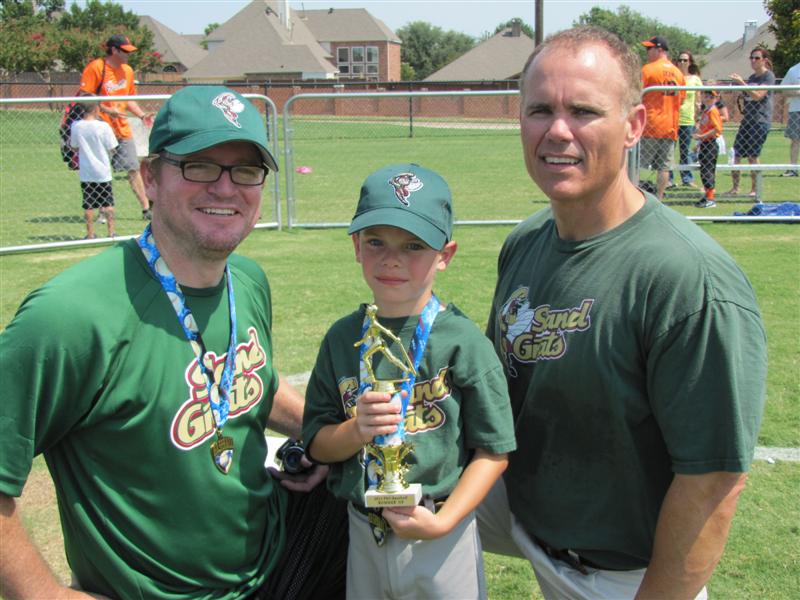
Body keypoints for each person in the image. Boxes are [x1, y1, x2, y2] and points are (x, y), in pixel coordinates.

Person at [0, 85, 347, 599]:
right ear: (149, 178)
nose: (226, 188)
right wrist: (42, 595)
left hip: (277, 555)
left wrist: (323, 435)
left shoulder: (246, 280)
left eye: (246, 170)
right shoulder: (71, 315)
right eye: (199, 166)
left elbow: (252, 379)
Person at [477, 26, 767, 600]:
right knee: (358, 492)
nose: (558, 131)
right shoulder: (527, 241)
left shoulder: (687, 279)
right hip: (532, 524)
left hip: (623, 577)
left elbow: (713, 481)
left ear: (634, 125)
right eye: (540, 110)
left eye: (584, 111)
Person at [302, 163, 516, 600]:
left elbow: (494, 452)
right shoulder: (343, 339)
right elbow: (317, 444)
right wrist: (357, 430)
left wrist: (444, 521)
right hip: (363, 527)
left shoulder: (463, 342)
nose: (392, 258)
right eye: (376, 241)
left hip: (441, 529)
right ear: (356, 246)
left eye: (414, 245)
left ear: (445, 255)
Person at [79, 34, 154, 220]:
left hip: (122, 128)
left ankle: (146, 209)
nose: (129, 55)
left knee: (133, 167)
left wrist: (142, 115)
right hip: (100, 127)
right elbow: (84, 98)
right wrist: (106, 110)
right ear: (114, 50)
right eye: (125, 51)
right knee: (101, 169)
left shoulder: (128, 71)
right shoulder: (96, 67)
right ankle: (103, 211)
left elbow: (129, 99)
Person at [639, 35, 685, 200]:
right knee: (663, 167)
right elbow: (682, 100)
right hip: (670, 127)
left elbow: (636, 95)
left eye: (649, 48)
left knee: (639, 165)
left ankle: (639, 197)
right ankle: (659, 198)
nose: (647, 52)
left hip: (649, 125)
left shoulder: (648, 69)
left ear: (659, 50)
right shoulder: (678, 73)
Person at [725, 47, 776, 197]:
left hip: (760, 120)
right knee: (736, 154)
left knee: (753, 156)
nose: (753, 61)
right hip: (747, 120)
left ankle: (755, 190)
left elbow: (758, 96)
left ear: (764, 60)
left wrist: (742, 83)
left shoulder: (768, 76)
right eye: (751, 58)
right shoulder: (752, 77)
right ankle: (735, 188)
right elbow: (747, 96)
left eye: (757, 58)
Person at [70, 101, 118, 238]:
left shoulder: (76, 126)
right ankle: (111, 232)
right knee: (108, 203)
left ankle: (90, 234)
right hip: (103, 171)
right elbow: (112, 146)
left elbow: (74, 146)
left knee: (88, 204)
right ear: (96, 109)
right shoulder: (103, 126)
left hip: (86, 172)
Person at [671, 50, 703, 187]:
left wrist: (698, 119)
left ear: (690, 62)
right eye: (680, 60)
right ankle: (669, 179)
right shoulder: (673, 77)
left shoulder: (695, 79)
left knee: (685, 151)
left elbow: (698, 101)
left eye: (685, 60)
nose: (682, 62)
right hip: (672, 119)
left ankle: (687, 179)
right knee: (669, 152)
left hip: (687, 120)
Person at [693, 89, 724, 208]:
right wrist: (698, 144)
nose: (708, 99)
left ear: (716, 98)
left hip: (710, 144)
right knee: (704, 171)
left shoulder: (713, 111)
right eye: (706, 96)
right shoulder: (706, 111)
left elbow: (717, 129)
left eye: (711, 97)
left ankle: (710, 199)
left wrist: (702, 137)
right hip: (705, 144)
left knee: (708, 171)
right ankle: (707, 195)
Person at [780, 60, 800, 177]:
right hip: (796, 110)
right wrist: (797, 92)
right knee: (795, 140)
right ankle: (793, 169)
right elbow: (784, 90)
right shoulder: (793, 70)